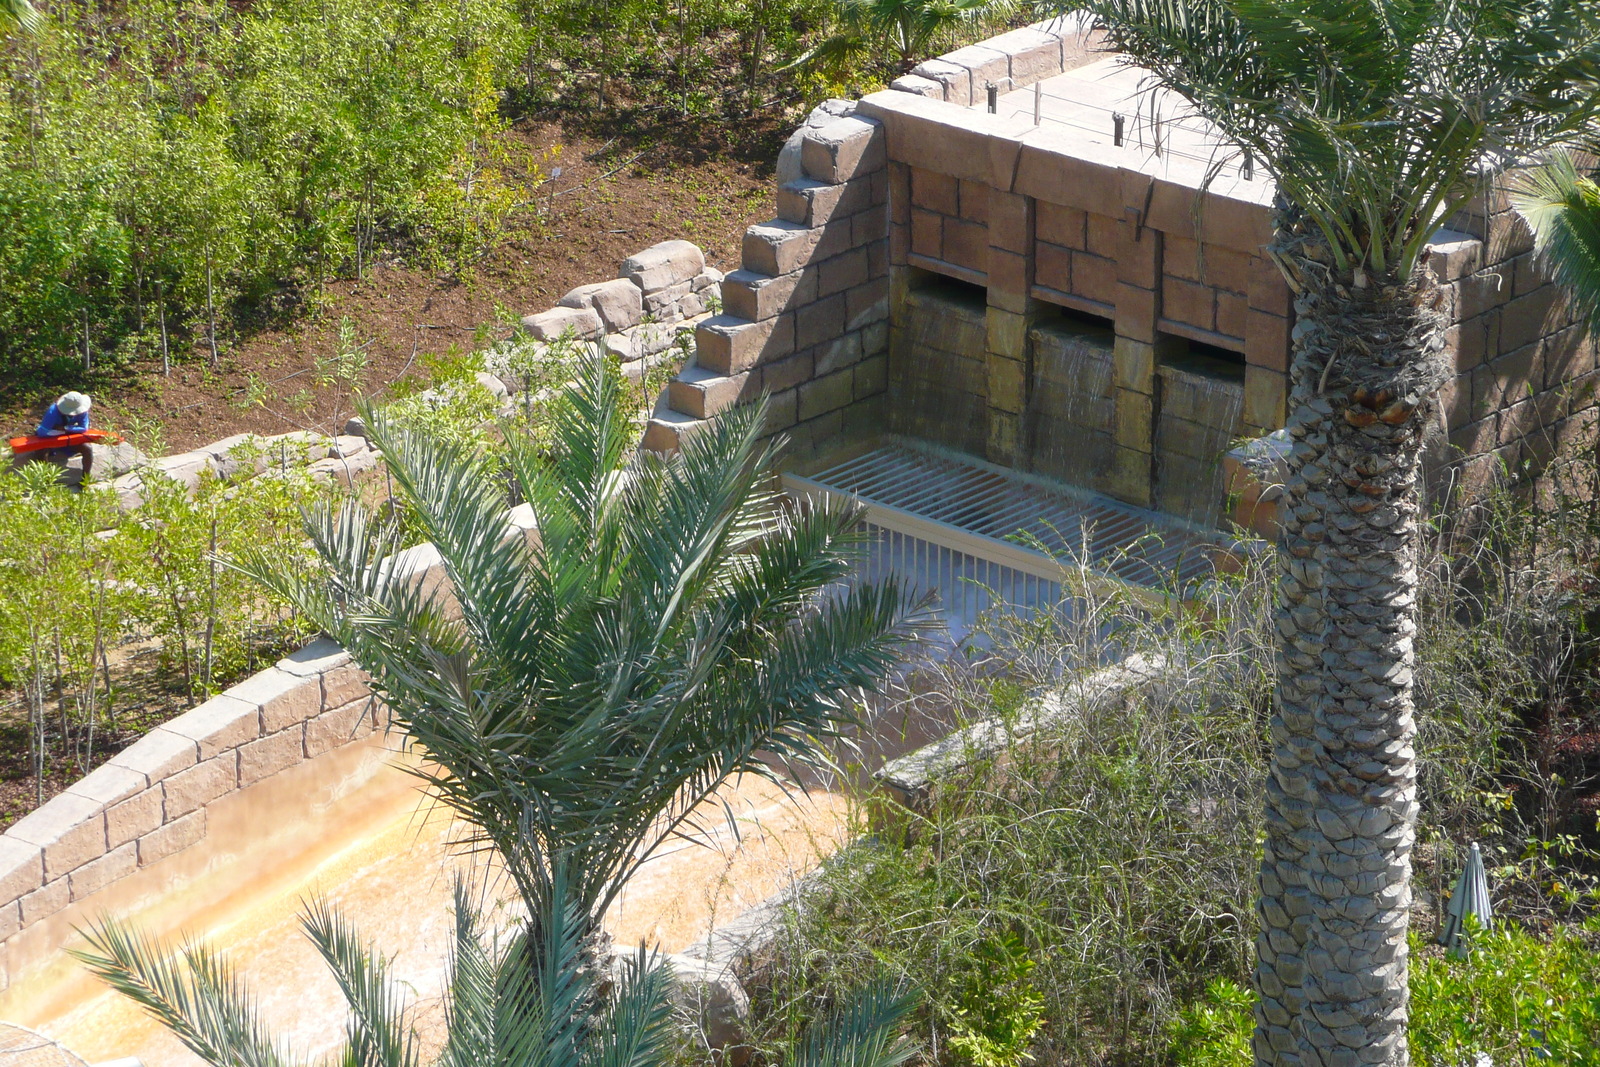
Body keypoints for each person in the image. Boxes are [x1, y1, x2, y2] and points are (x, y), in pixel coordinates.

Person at [35, 390, 94, 480]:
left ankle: (85, 479)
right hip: (51, 438)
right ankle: (46, 479)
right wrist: (59, 432)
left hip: (68, 436)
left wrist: (66, 429)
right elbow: (42, 432)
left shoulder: (82, 411)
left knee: (87, 448)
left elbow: (84, 428)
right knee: (41, 450)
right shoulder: (53, 411)